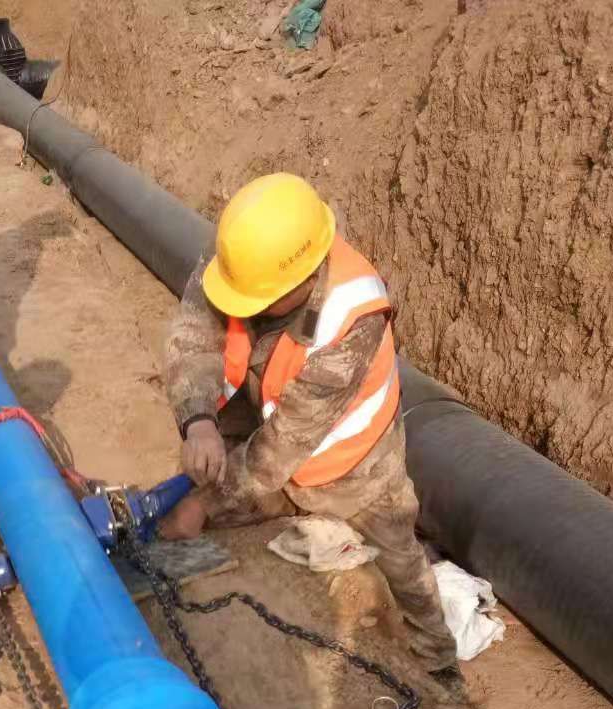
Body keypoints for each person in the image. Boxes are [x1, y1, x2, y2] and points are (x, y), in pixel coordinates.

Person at [162, 173, 458, 678]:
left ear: (302, 281)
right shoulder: (243, 259)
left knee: (401, 557)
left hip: (356, 468)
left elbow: (277, 451)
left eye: (258, 300)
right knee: (209, 484)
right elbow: (192, 336)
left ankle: (440, 663)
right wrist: (198, 421)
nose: (245, 308)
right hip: (271, 421)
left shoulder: (351, 319)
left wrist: (202, 502)